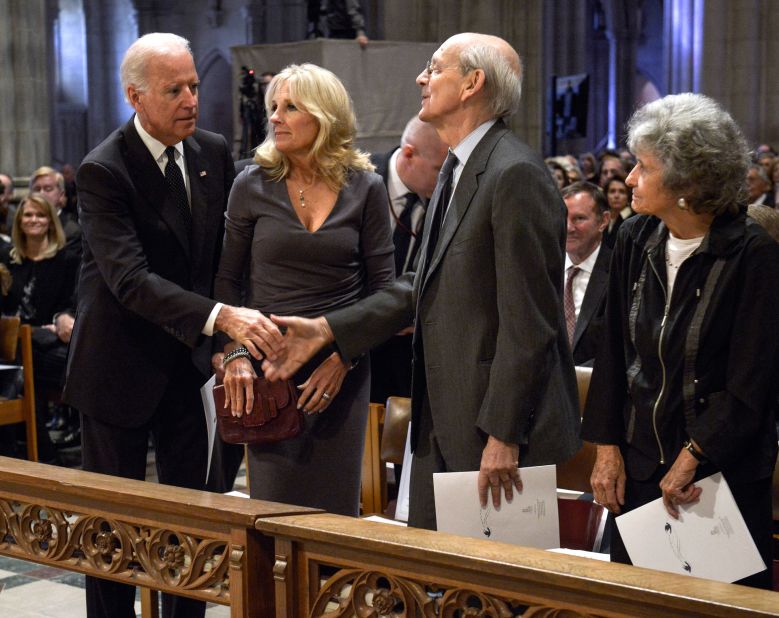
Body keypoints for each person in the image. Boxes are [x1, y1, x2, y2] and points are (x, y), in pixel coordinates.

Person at [261, 33, 581, 530]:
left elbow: (531, 324)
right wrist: (331, 330)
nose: (421, 78)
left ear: (473, 83)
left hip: (493, 432)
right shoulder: (458, 166)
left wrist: (504, 435)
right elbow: (419, 286)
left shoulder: (514, 173)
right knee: (444, 585)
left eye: (435, 68)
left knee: (497, 596)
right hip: (447, 417)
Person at [64, 32, 285, 618]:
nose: (191, 99)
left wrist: (221, 343)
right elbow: (130, 279)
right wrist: (220, 318)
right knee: (111, 530)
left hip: (188, 367)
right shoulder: (104, 169)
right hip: (117, 369)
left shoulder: (211, 152)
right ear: (135, 97)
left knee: (191, 524)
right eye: (174, 90)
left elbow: (215, 261)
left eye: (194, 85)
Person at [582, 93, 779, 590]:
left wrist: (693, 455)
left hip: (719, 472)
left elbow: (751, 383)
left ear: (688, 183)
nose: (628, 180)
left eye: (643, 168)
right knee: (635, 601)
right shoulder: (633, 237)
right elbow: (612, 352)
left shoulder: (752, 255)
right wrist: (606, 449)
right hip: (641, 463)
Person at [214, 63, 394, 516]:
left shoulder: (366, 188)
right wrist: (235, 354)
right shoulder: (250, 184)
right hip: (269, 370)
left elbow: (385, 291)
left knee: (334, 514)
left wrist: (344, 357)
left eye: (290, 107)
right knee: (275, 515)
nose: (274, 116)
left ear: (323, 117)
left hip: (341, 372)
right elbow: (227, 282)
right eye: (273, 106)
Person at [369, 116, 447, 403]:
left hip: (411, 358)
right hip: (354, 348)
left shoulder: (447, 198)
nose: (445, 180)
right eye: (439, 169)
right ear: (409, 155)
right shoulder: (355, 180)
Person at [0, 193, 79, 463]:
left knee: (18, 369)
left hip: (51, 348)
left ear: (50, 221)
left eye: (40, 215)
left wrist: (59, 319)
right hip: (18, 348)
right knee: (19, 365)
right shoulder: (8, 260)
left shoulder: (65, 259)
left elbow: (71, 304)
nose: (34, 220)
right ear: (19, 220)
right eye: (28, 215)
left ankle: (25, 452)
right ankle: (39, 454)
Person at [561, 182, 611, 366]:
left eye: (579, 218)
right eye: (564, 217)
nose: (568, 227)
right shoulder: (542, 269)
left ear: (603, 221)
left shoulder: (619, 272)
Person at [29, 166, 82, 256]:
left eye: (48, 189)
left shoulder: (72, 231)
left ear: (61, 195)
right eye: (37, 189)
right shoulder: (23, 226)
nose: (41, 194)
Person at [602, 175, 633, 248]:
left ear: (628, 196)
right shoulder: (602, 217)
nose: (616, 196)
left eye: (622, 192)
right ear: (606, 195)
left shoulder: (633, 219)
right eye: (612, 191)